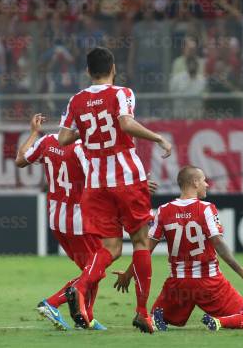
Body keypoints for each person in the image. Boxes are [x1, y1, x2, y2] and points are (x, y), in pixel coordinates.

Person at [58, 47, 172, 333]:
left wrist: (86, 129)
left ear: (87, 71)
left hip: (95, 184)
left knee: (111, 247)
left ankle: (81, 287)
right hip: (127, 179)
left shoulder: (76, 100)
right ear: (113, 68)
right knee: (141, 242)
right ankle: (142, 313)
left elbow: (62, 138)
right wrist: (157, 137)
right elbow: (125, 123)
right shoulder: (122, 93)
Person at [113, 166, 243, 332]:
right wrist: (240, 271)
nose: (207, 184)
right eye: (204, 180)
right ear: (195, 182)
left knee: (156, 320)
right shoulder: (206, 208)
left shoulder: (164, 211)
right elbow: (218, 243)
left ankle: (158, 319)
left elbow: (145, 249)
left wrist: (128, 274)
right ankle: (219, 322)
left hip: (178, 285)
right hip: (209, 282)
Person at [15, 113, 105, 331]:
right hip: (80, 220)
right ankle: (52, 303)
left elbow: (20, 159)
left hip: (57, 219)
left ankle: (86, 319)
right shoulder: (82, 149)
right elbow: (97, 182)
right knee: (96, 270)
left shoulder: (47, 142)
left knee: (89, 271)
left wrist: (34, 133)